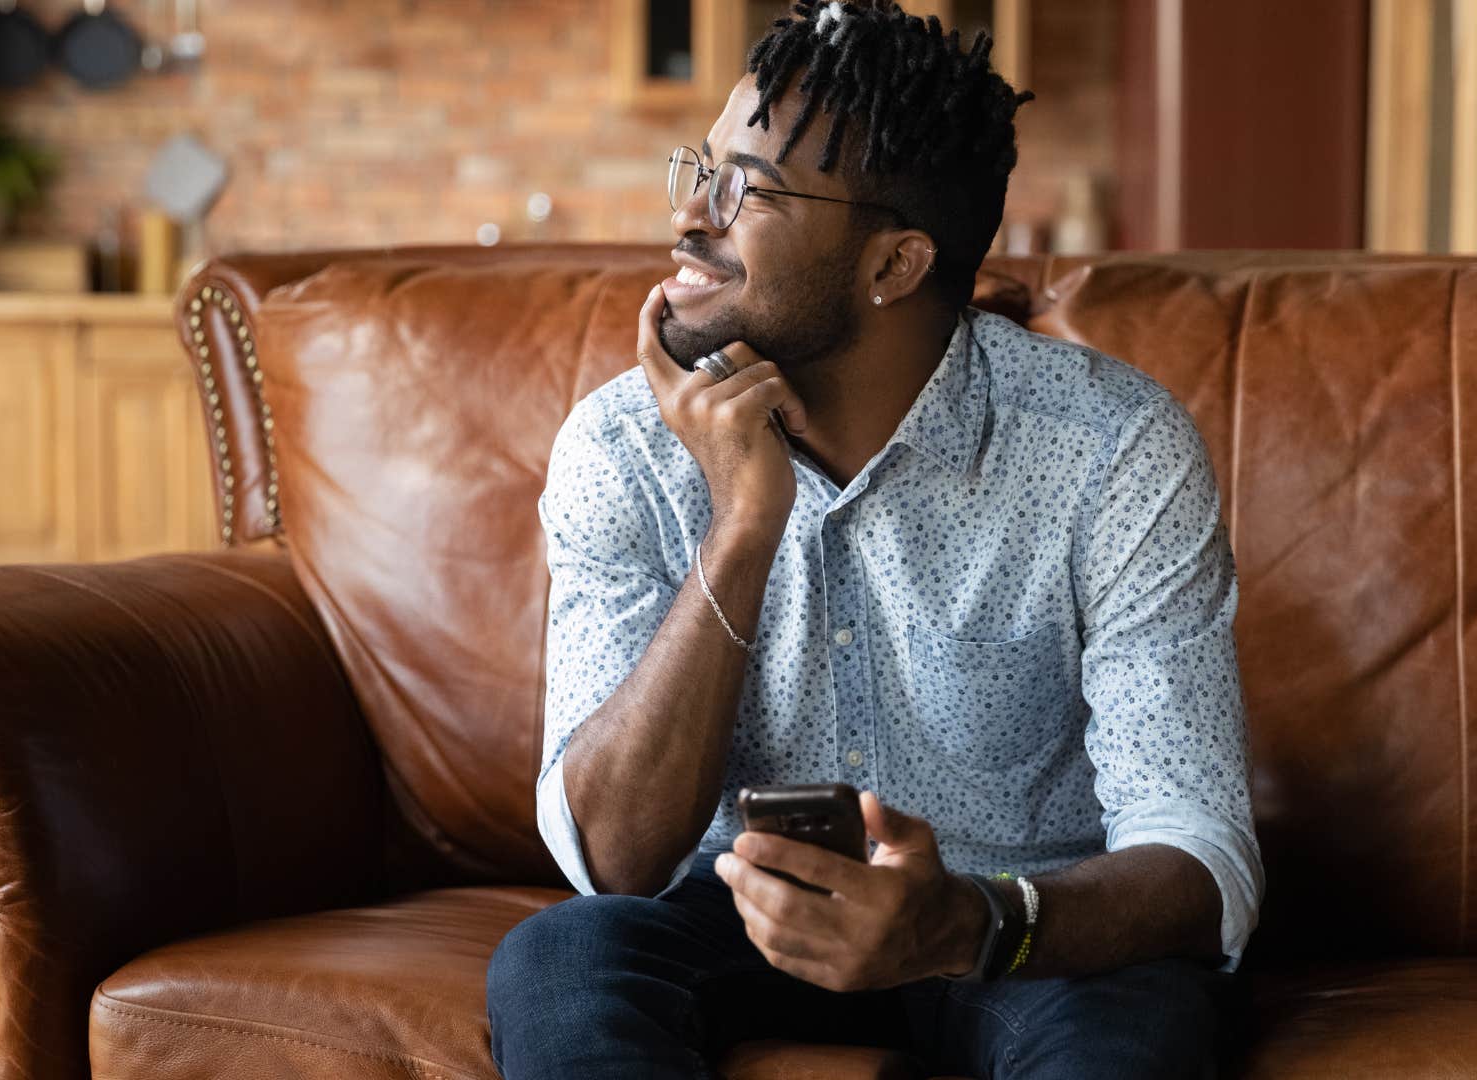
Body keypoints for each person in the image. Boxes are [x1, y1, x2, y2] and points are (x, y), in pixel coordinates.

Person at [487, 2, 1262, 1076]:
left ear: (894, 264)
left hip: (1018, 930)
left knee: (1137, 1030)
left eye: (748, 189)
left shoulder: (1110, 451)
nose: (691, 219)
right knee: (562, 961)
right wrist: (743, 527)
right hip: (737, 914)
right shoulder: (625, 446)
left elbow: (1200, 855)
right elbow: (613, 859)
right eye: (699, 171)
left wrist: (961, 925)